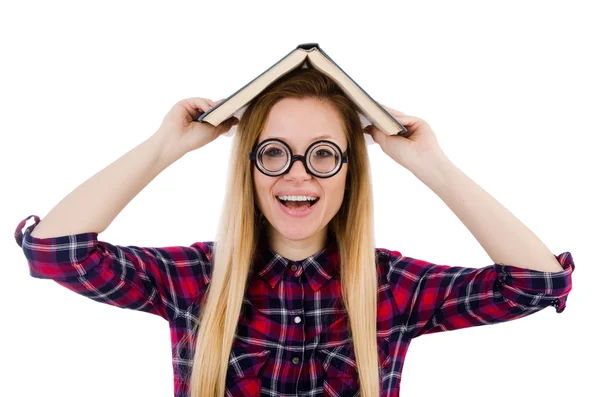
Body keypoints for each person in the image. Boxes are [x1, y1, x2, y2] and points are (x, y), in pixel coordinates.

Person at [14, 68, 575, 397]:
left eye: (324, 154)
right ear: (250, 168)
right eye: (275, 152)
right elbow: (57, 253)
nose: (298, 173)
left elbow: (537, 284)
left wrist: (432, 166)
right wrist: (165, 147)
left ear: (349, 171)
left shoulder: (390, 286)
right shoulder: (195, 280)